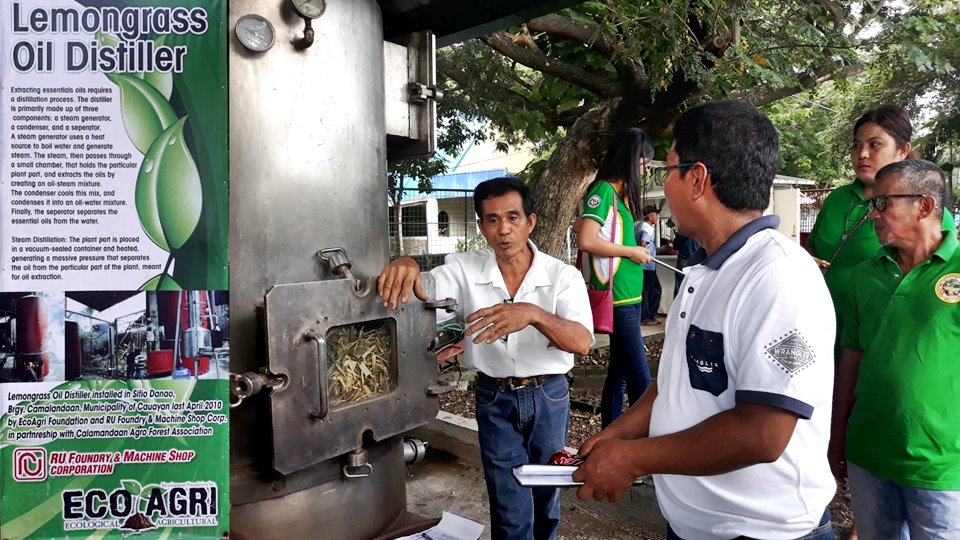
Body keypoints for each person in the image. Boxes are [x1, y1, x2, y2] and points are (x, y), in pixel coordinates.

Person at [572, 101, 837, 540]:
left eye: (669, 169)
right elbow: (674, 384)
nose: (663, 185)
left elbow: (762, 434)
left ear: (696, 179)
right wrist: (617, 435)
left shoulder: (778, 276)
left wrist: (633, 458)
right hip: (696, 525)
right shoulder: (705, 272)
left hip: (762, 533)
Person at [377, 177, 593, 540]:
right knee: (509, 504)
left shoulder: (562, 276)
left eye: (512, 217)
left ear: (531, 221)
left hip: (549, 396)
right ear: (481, 226)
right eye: (492, 220)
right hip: (495, 399)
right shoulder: (465, 270)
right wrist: (405, 262)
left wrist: (533, 314)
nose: (503, 229)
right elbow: (421, 291)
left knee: (547, 496)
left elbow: (582, 342)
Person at [830, 160, 960, 538]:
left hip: (942, 465)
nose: (874, 214)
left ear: (925, 205)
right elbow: (850, 362)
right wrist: (836, 438)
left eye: (884, 202)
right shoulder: (864, 276)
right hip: (869, 455)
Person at [576, 127, 654, 428]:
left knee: (619, 373)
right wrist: (630, 251)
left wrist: (633, 250)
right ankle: (643, 445)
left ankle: (609, 433)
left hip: (631, 294)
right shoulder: (603, 191)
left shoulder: (620, 195)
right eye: (644, 164)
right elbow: (587, 239)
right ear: (630, 159)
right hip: (617, 296)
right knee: (640, 377)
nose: (644, 171)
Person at [636, 205, 663, 325]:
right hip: (647, 265)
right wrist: (645, 254)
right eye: (657, 215)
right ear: (651, 216)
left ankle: (648, 316)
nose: (658, 217)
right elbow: (644, 242)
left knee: (649, 291)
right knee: (652, 291)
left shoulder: (639, 226)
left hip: (643, 265)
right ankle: (647, 317)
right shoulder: (647, 227)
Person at [671, 231, 701, 298]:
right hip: (698, 263)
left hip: (683, 263)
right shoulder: (703, 230)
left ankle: (678, 308)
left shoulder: (685, 229)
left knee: (680, 290)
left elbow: (676, 245)